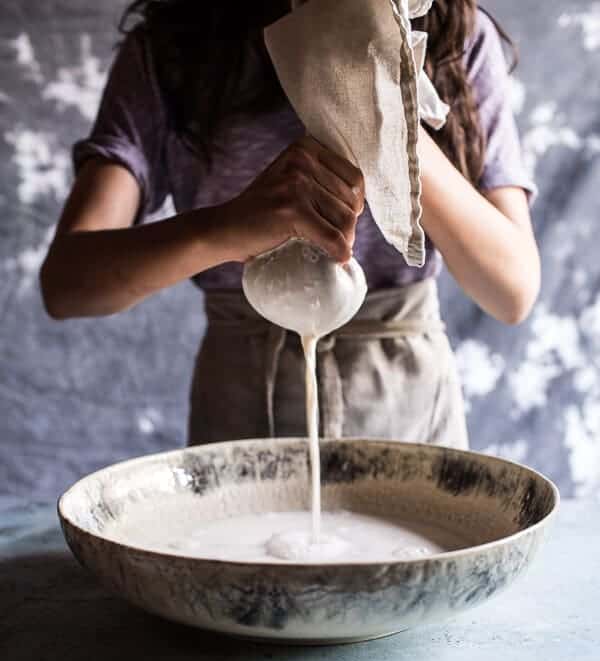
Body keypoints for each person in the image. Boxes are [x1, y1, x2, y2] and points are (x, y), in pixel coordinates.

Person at [40, 0, 540, 450]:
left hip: (406, 408)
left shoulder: (456, 36)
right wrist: (225, 227)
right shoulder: (173, 45)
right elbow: (68, 286)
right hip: (241, 409)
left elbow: (511, 291)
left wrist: (383, 112)